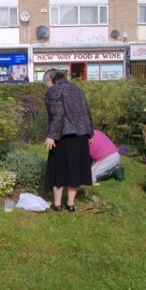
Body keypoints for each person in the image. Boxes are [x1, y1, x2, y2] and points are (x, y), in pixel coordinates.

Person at [44, 69, 94, 212]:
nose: (46, 86)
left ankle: (57, 205)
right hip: (81, 135)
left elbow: (57, 114)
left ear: (50, 80)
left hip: (63, 136)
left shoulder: (54, 91)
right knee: (75, 170)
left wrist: (51, 135)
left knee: (58, 170)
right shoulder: (77, 90)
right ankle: (71, 205)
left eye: (46, 83)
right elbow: (86, 112)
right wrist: (90, 133)